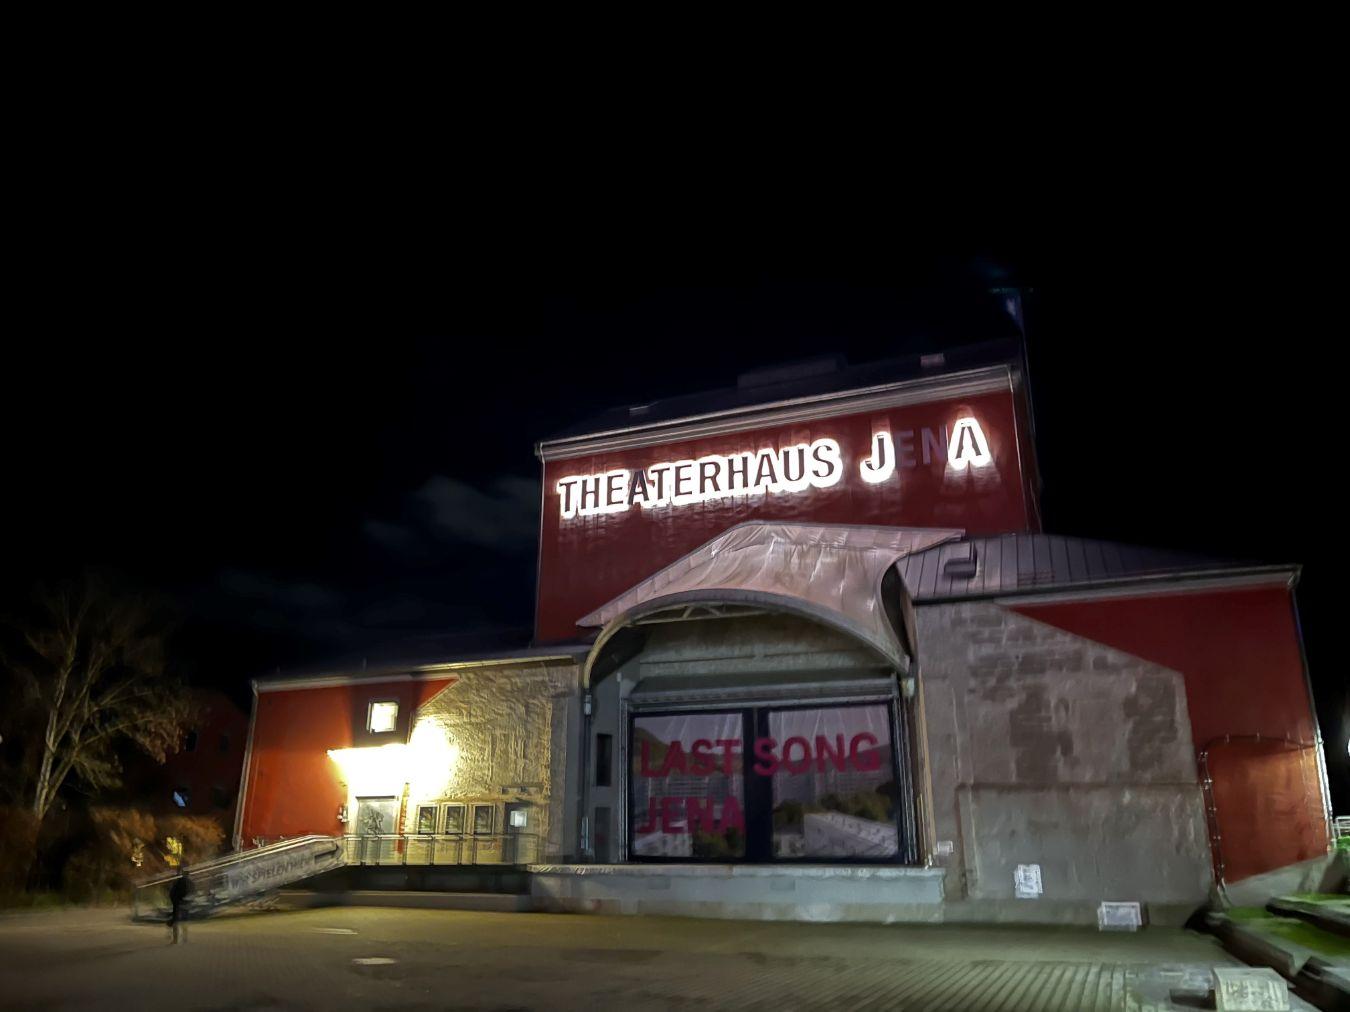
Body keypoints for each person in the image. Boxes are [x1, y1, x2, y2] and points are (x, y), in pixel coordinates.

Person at [167, 866, 191, 945]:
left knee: (176, 921)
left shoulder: (179, 881)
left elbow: (174, 892)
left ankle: (176, 939)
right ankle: (184, 937)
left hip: (178, 902)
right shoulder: (188, 882)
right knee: (184, 920)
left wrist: (174, 898)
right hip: (184, 902)